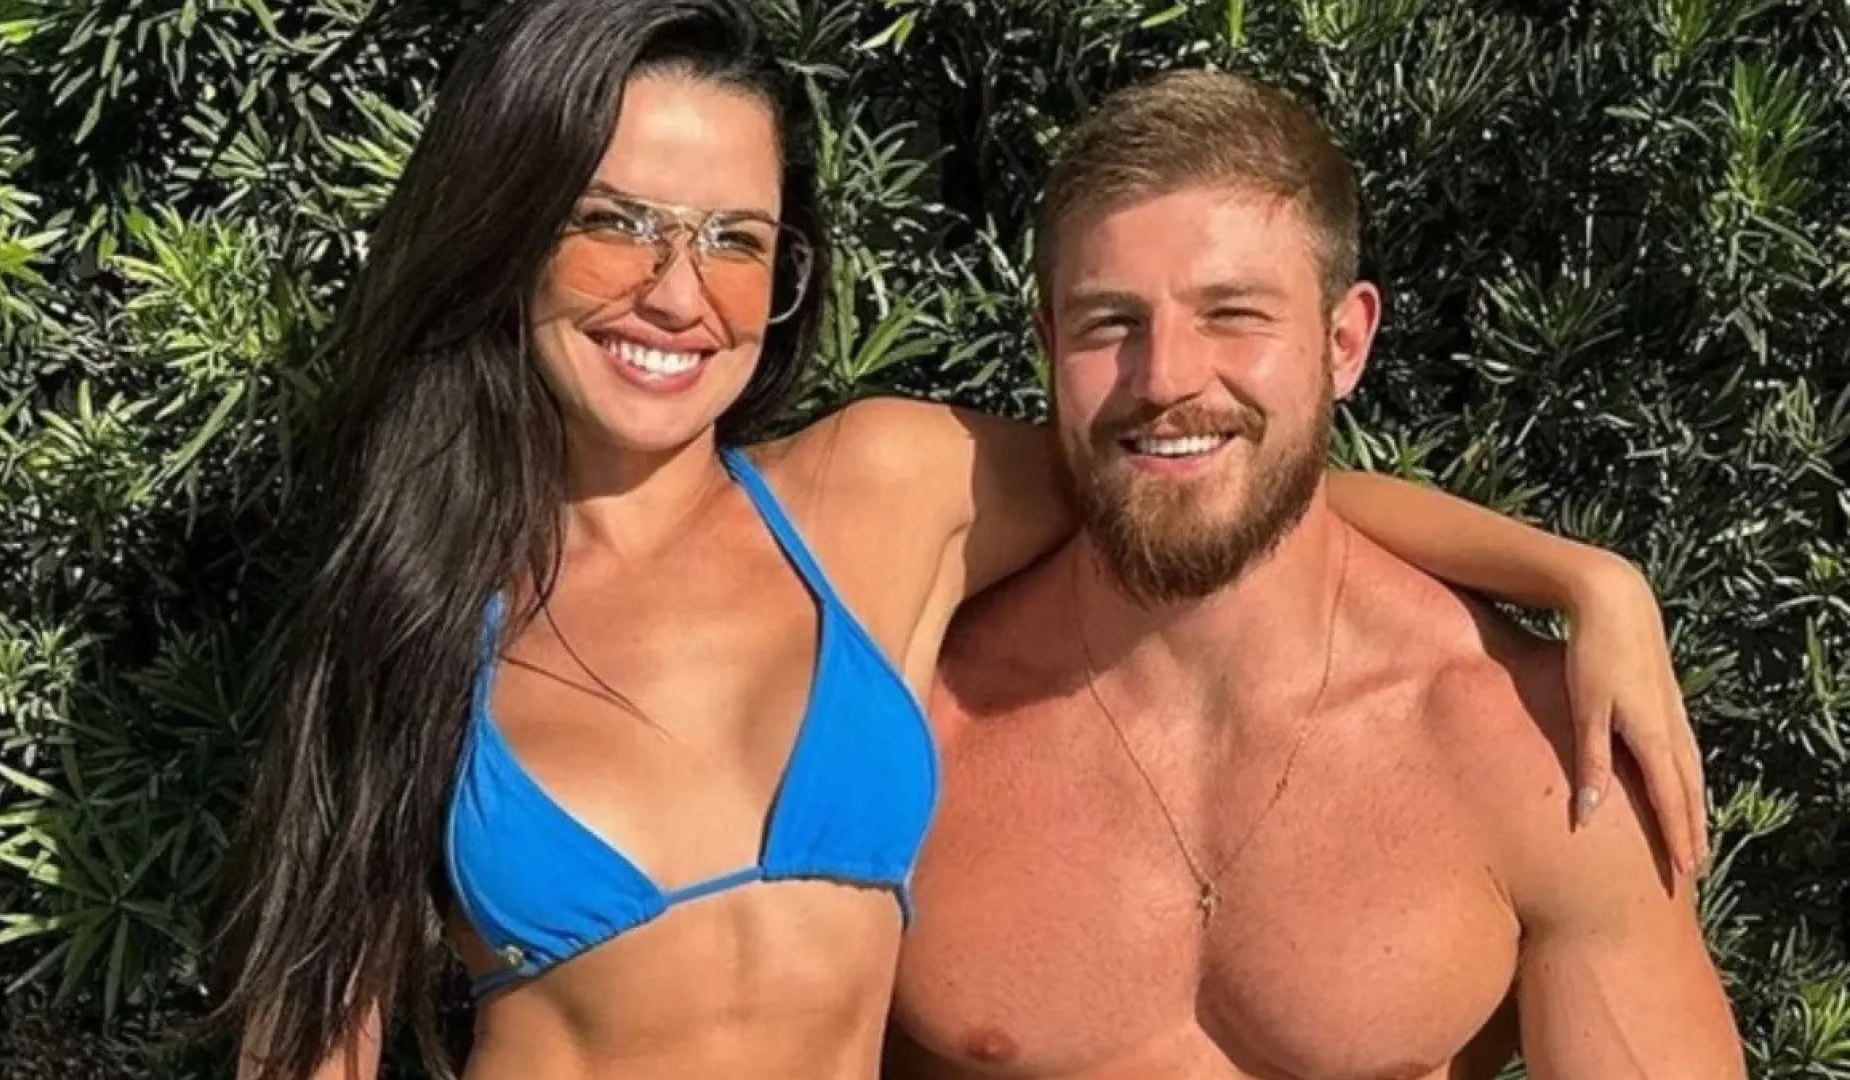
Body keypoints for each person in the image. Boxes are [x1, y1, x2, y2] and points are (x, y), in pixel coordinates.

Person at [211, 4, 1710, 1078]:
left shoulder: (880, 498)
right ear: (512, 230)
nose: (677, 290)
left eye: (735, 238)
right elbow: (313, 1033)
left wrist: (1581, 575)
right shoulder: (416, 606)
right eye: (615, 221)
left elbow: (1197, 467)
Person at [883, 69, 1744, 1080]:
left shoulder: (1537, 749)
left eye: (1233, 314)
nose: (1165, 379)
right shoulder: (913, 721)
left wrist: (1598, 578)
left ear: (1345, 341)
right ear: (1048, 345)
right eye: (1109, 322)